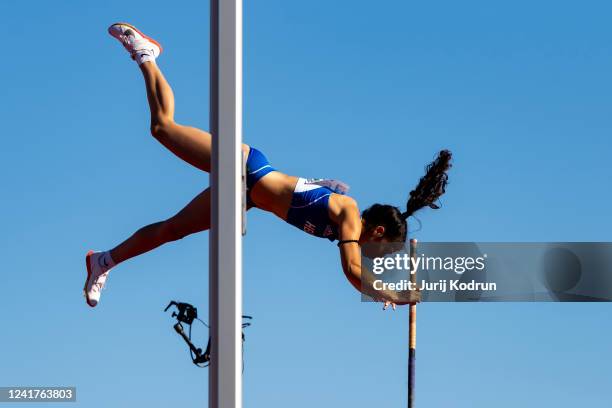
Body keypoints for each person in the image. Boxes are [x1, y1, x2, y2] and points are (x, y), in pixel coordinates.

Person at [84, 23, 452, 310]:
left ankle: (103, 261)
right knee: (163, 128)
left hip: (248, 196)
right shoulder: (350, 216)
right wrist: (393, 293)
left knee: (171, 231)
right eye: (385, 251)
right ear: (378, 231)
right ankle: (146, 54)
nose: (378, 258)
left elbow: (310, 204)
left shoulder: (346, 222)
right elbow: (353, 270)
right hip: (246, 166)